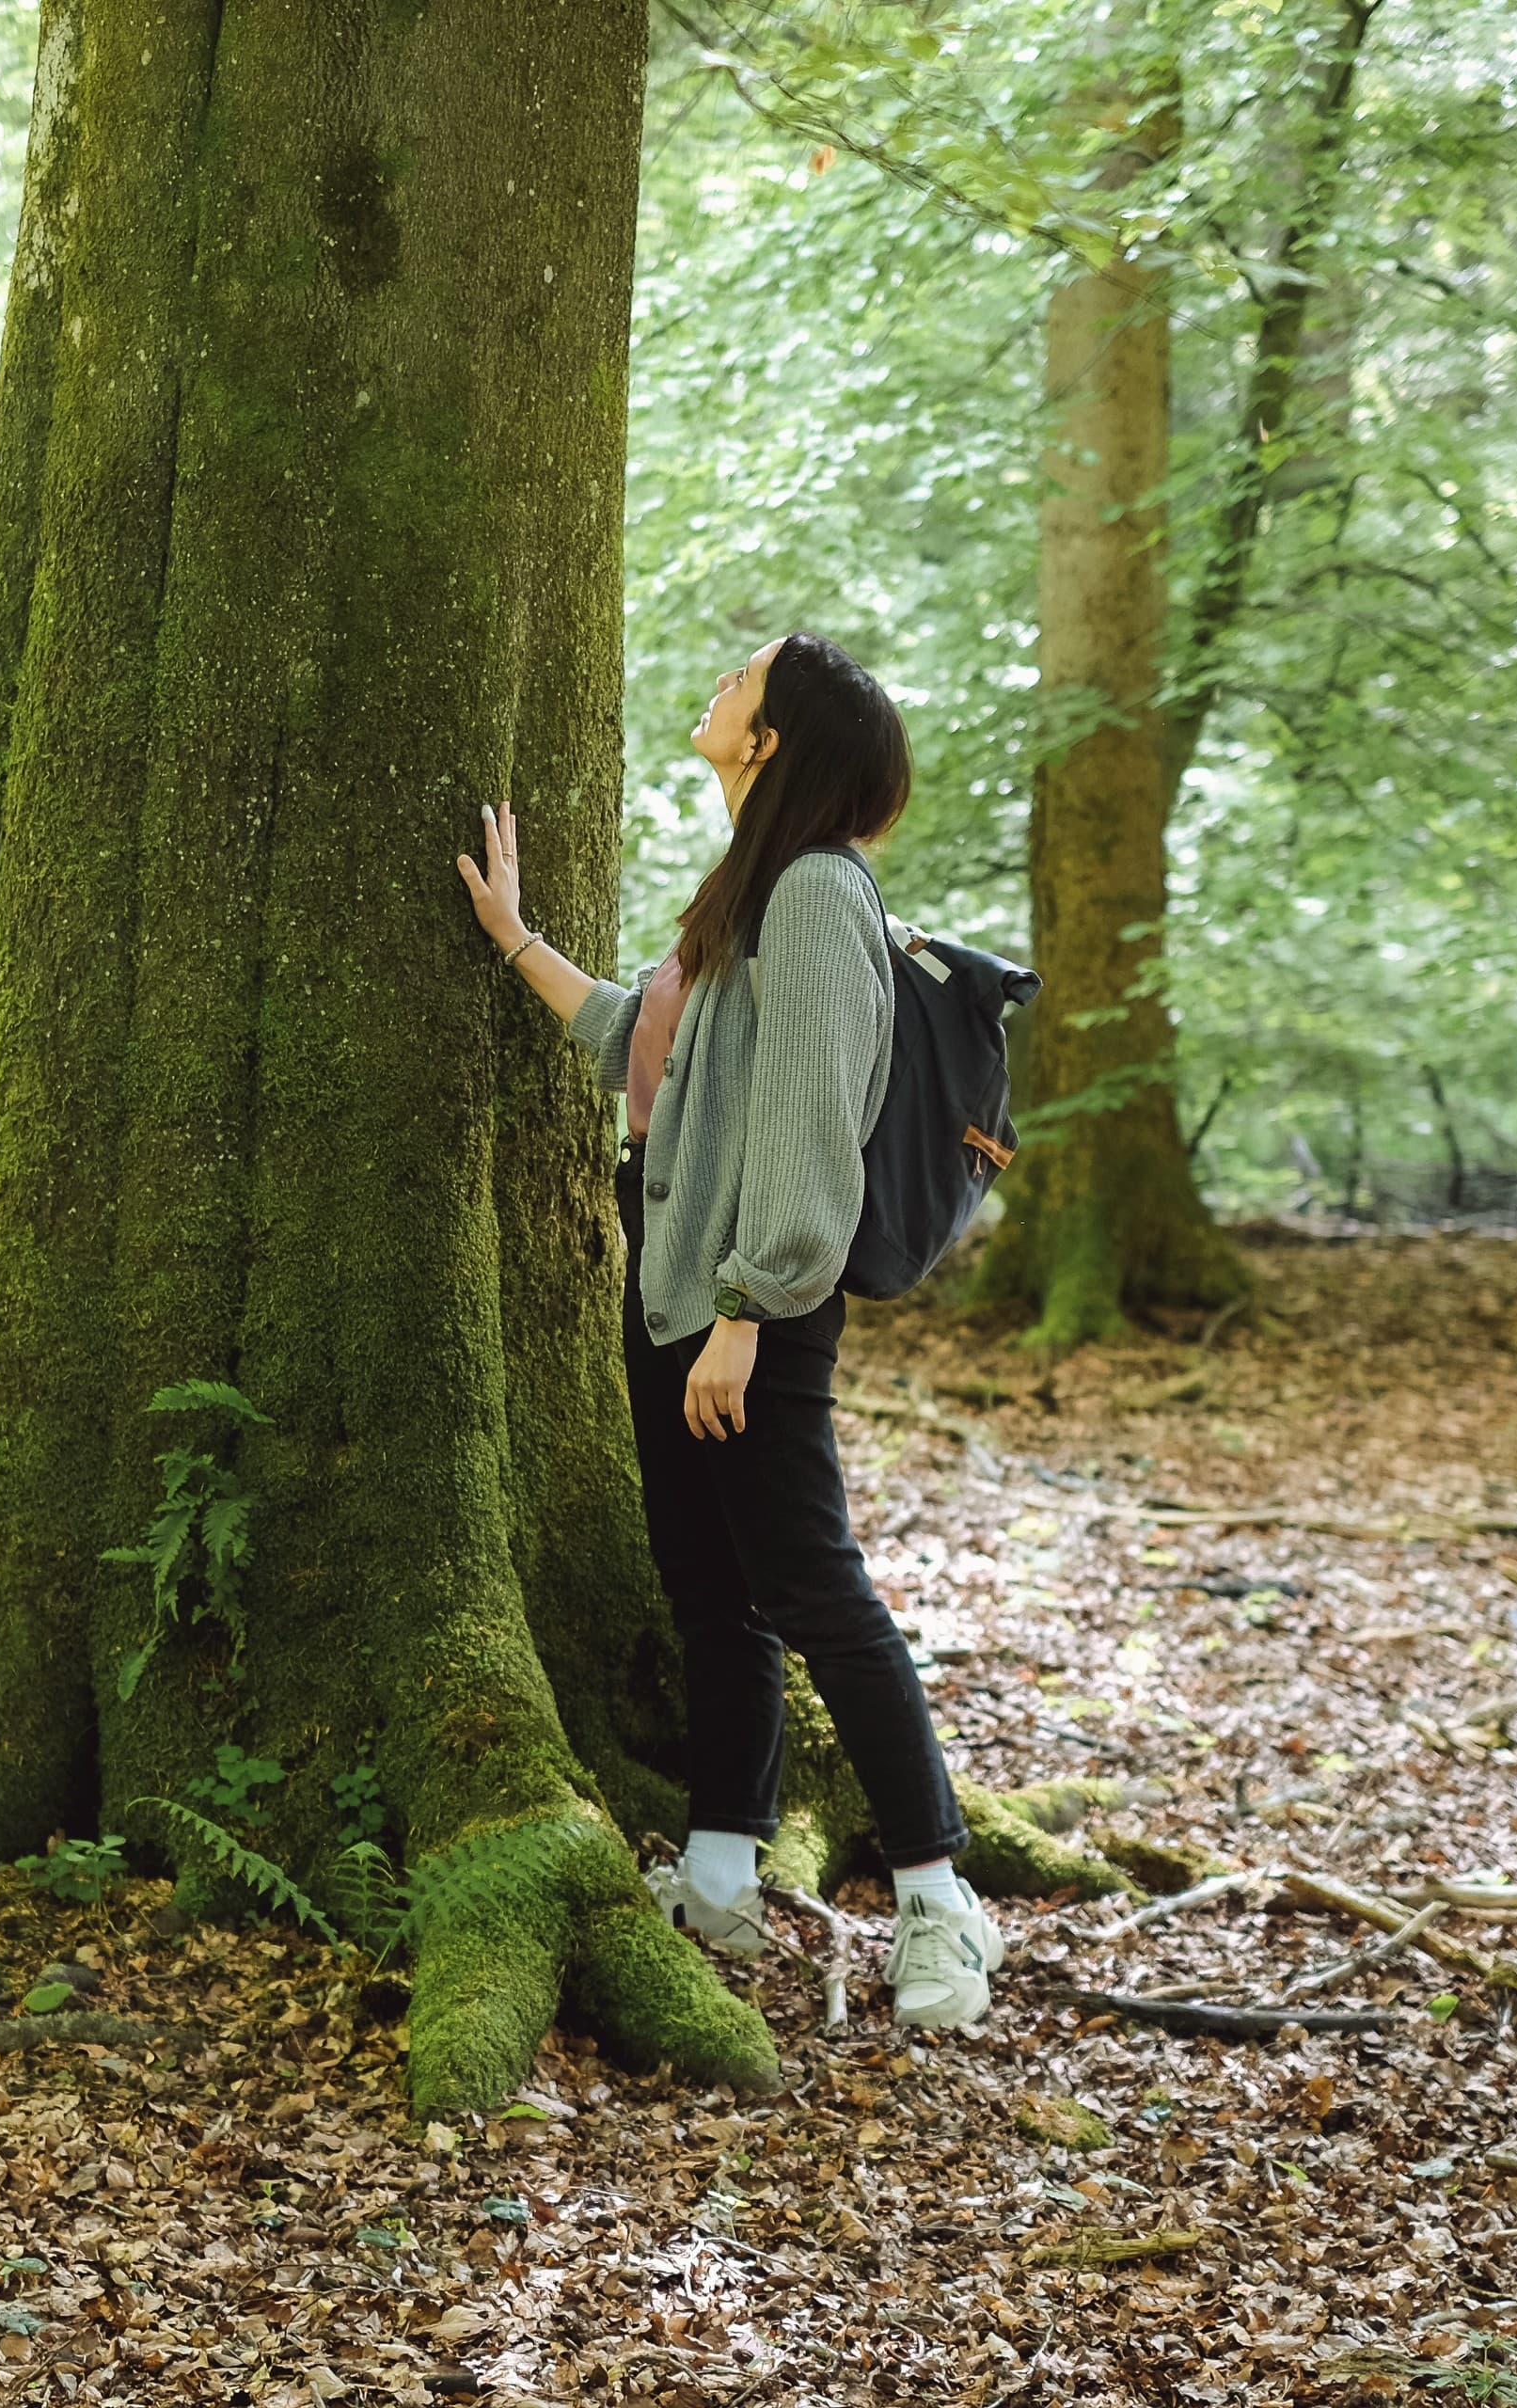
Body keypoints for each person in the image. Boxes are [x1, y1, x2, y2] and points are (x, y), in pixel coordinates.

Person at [455, 632, 1002, 2032]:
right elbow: (646, 1043)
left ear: (775, 736)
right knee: (712, 1592)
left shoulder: (818, 893)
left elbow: (815, 1122)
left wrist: (751, 1312)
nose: (719, 684)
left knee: (816, 1591)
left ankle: (942, 1905)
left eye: (741, 679)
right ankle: (715, 1876)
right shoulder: (749, 891)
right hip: (678, 1289)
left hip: (752, 1304)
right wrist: (516, 940)